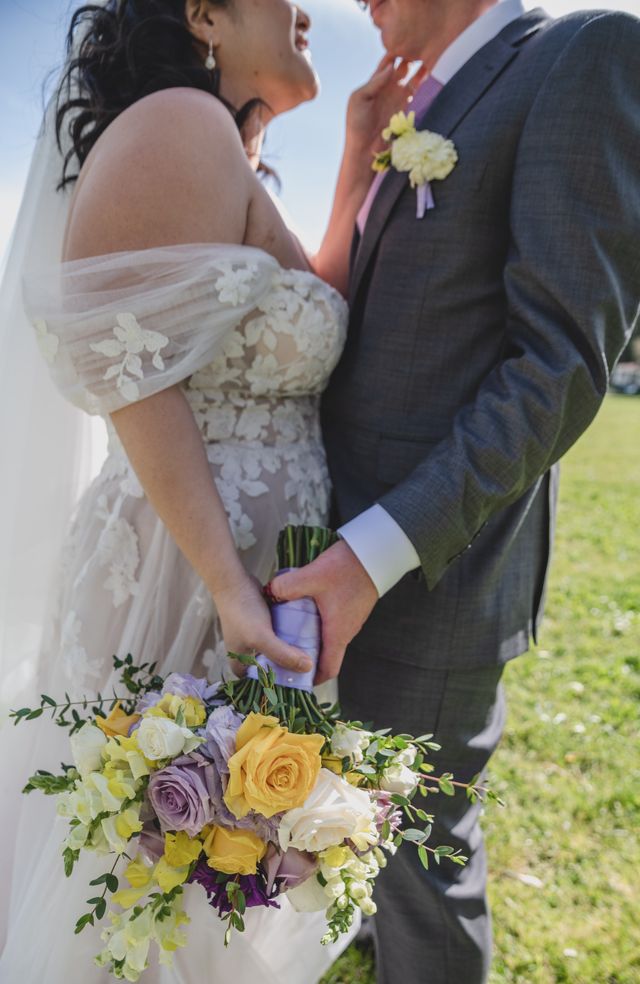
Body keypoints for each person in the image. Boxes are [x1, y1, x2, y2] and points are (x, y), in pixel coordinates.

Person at [0, 0, 417, 979]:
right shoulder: (181, 121)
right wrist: (228, 582)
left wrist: (354, 155)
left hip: (240, 570)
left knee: (211, 872)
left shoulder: (221, 149)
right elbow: (119, 356)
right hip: (188, 572)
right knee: (151, 874)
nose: (308, 11)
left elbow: (299, 307)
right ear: (205, 14)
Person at [270, 1, 640, 982]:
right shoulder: (414, 109)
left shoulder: (579, 53)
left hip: (430, 570)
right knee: (366, 834)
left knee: (424, 867)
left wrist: (372, 554)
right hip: (337, 557)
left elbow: (558, 363)